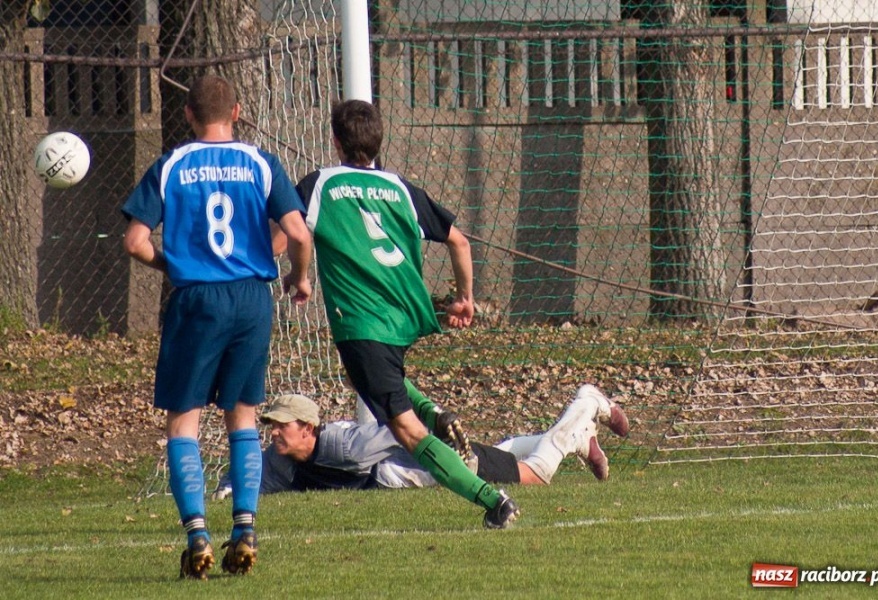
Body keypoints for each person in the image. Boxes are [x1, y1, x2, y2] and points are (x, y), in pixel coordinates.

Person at [289, 99, 519, 528]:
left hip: (363, 323)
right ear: (378, 141)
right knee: (363, 380)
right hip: (399, 321)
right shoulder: (401, 189)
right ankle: (434, 414)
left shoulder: (319, 184)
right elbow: (460, 242)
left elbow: (293, 233)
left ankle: (493, 500)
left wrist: (297, 276)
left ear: (335, 140)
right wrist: (465, 297)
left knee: (407, 431)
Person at [121, 74, 313, 580]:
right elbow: (297, 232)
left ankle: (198, 537)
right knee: (243, 416)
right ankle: (245, 530)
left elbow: (135, 241)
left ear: (187, 115)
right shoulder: (259, 162)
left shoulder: (171, 165)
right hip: (252, 299)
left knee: (183, 421)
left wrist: (174, 265)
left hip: (195, 300)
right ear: (238, 111)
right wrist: (299, 276)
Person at [212, 384, 629, 498]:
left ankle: (583, 405)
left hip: (428, 467)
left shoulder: (346, 446)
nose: (273, 432)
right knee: (501, 453)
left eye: (281, 425)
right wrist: (227, 489)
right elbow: (247, 480)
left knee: (535, 477)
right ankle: (579, 438)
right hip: (411, 472)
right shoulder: (280, 460)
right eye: (271, 424)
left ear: (308, 427)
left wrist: (451, 457)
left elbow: (408, 432)